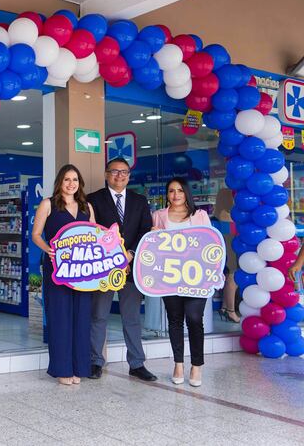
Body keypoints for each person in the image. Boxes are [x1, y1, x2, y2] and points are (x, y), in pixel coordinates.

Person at [88, 157, 156, 381]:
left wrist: (129, 255)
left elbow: (146, 230)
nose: (119, 176)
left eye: (124, 172)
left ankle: (137, 364)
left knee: (132, 317)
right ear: (107, 174)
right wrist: (113, 257)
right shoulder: (94, 199)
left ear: (129, 175)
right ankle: (95, 361)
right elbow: (91, 232)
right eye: (115, 172)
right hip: (104, 268)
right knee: (98, 315)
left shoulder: (139, 200)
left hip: (130, 267)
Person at [31, 164, 96, 385]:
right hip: (58, 270)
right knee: (60, 318)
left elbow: (95, 235)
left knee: (81, 318)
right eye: (67, 179)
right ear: (60, 182)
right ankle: (62, 369)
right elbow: (36, 234)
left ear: (80, 183)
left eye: (75, 180)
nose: (71, 184)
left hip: (84, 272)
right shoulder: (48, 204)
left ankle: (80, 368)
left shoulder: (87, 206)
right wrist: (48, 249)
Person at [152, 177, 212, 386]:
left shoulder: (200, 215)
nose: (175, 195)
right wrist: (153, 237)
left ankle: (197, 365)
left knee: (194, 318)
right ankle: (178, 363)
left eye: (179, 190)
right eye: (171, 191)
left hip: (196, 278)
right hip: (170, 278)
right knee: (175, 320)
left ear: (187, 192)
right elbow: (153, 248)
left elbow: (211, 245)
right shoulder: (159, 216)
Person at [212, 188, 240, 323]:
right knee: (232, 278)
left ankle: (224, 307)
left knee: (228, 277)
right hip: (230, 247)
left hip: (224, 248)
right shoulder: (227, 214)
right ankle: (231, 311)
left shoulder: (217, 214)